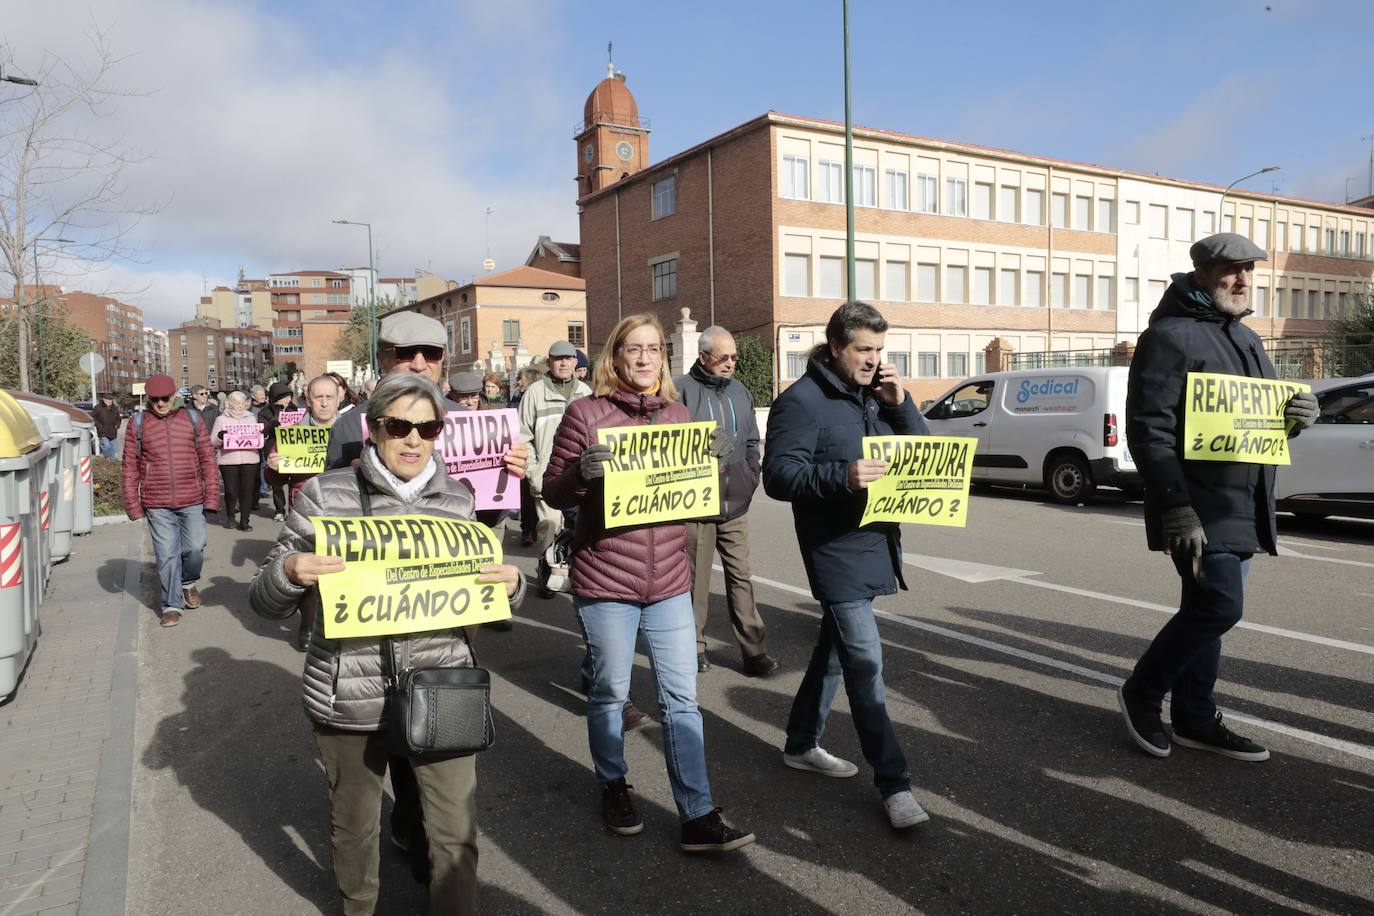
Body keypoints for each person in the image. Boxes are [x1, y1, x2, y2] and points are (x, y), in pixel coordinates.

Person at [250, 372, 525, 916]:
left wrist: (511, 589)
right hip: (349, 690)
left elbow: (481, 598)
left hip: (442, 684)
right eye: (399, 425)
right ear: (373, 428)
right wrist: (289, 571)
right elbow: (264, 600)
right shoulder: (324, 495)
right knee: (355, 832)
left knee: (455, 836)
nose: (413, 438)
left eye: (428, 427)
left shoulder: (458, 499)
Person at [320, 309, 530, 876]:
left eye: (431, 354)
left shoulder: (468, 420)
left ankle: (418, 838)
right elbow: (333, 512)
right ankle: (405, 835)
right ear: (383, 357)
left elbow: (474, 527)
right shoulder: (349, 426)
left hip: (436, 631)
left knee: (431, 760)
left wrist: (512, 476)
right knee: (385, 753)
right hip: (366, 637)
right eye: (403, 352)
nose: (418, 362)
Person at [542, 314, 753, 852]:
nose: (643, 358)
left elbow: (703, 501)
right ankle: (613, 785)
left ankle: (698, 813)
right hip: (606, 579)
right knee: (611, 691)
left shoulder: (680, 415)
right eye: (633, 349)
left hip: (669, 585)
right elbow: (554, 491)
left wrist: (717, 467)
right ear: (615, 357)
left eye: (653, 350)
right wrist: (580, 474)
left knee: (682, 699)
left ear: (664, 359)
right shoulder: (585, 414)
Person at [1119, 233, 1320, 762]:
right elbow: (1148, 429)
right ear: (1202, 272)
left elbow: (1266, 421)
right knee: (1220, 606)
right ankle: (1142, 692)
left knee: (1206, 610)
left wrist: (1296, 419)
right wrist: (1176, 507)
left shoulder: (1247, 338)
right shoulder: (1169, 337)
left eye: (1249, 270)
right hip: (1200, 508)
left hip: (1245, 504)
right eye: (1231, 270)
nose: (1242, 280)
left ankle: (1195, 716)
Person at [762, 300, 932, 831]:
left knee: (834, 652)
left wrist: (900, 404)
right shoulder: (802, 402)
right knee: (865, 663)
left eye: (880, 349)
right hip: (834, 550)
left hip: (877, 541)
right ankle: (894, 783)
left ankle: (799, 743)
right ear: (835, 347)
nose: (872, 359)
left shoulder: (878, 397)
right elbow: (779, 477)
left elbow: (924, 452)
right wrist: (843, 475)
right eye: (863, 349)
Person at [675, 326, 776, 677]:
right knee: (694, 580)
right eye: (723, 357)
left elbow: (751, 438)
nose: (731, 363)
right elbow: (670, 444)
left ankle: (754, 650)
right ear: (703, 356)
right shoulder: (679, 391)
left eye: (734, 357)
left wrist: (751, 474)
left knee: (741, 577)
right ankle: (694, 646)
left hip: (736, 502)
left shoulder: (741, 391)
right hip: (695, 503)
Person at [122, 373, 219, 628]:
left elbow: (207, 459)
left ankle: (188, 582)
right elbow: (129, 466)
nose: (161, 404)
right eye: (155, 399)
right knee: (166, 555)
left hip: (192, 498)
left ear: (175, 395)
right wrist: (133, 505)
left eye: (165, 398)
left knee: (195, 547)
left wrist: (211, 497)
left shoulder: (192, 418)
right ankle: (172, 604)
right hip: (157, 503)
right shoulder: (138, 423)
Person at [520, 341, 590, 553]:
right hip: (546, 475)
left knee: (581, 530)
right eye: (558, 359)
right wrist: (533, 471)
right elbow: (522, 436)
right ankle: (547, 578)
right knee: (549, 528)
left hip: (579, 477)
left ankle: (572, 578)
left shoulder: (585, 392)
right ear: (549, 362)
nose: (563, 363)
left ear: (575, 362)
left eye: (568, 359)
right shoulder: (534, 393)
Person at [211, 391, 262, 532]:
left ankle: (245, 521)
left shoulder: (251, 417)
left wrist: (262, 435)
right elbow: (212, 442)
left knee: (247, 491)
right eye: (237, 403)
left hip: (250, 459)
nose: (241, 406)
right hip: (228, 460)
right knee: (231, 491)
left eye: (243, 403)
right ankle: (231, 517)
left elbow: (256, 437)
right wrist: (221, 437)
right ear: (230, 404)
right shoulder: (221, 420)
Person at [259, 381, 297, 522]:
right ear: (276, 397)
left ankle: (293, 509)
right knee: (277, 483)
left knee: (294, 481)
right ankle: (279, 509)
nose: (289, 400)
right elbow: (261, 430)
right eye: (285, 397)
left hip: (293, 449)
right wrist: (272, 424)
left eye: (290, 396)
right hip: (274, 449)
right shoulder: (265, 412)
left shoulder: (294, 409)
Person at [92, 392, 122, 459]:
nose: (110, 401)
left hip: (113, 432)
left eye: (111, 400)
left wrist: (117, 425)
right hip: (103, 432)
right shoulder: (98, 408)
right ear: (104, 400)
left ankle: (112, 463)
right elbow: (94, 418)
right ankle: (107, 460)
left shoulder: (115, 408)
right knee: (107, 446)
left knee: (113, 448)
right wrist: (99, 426)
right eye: (108, 399)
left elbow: (119, 419)